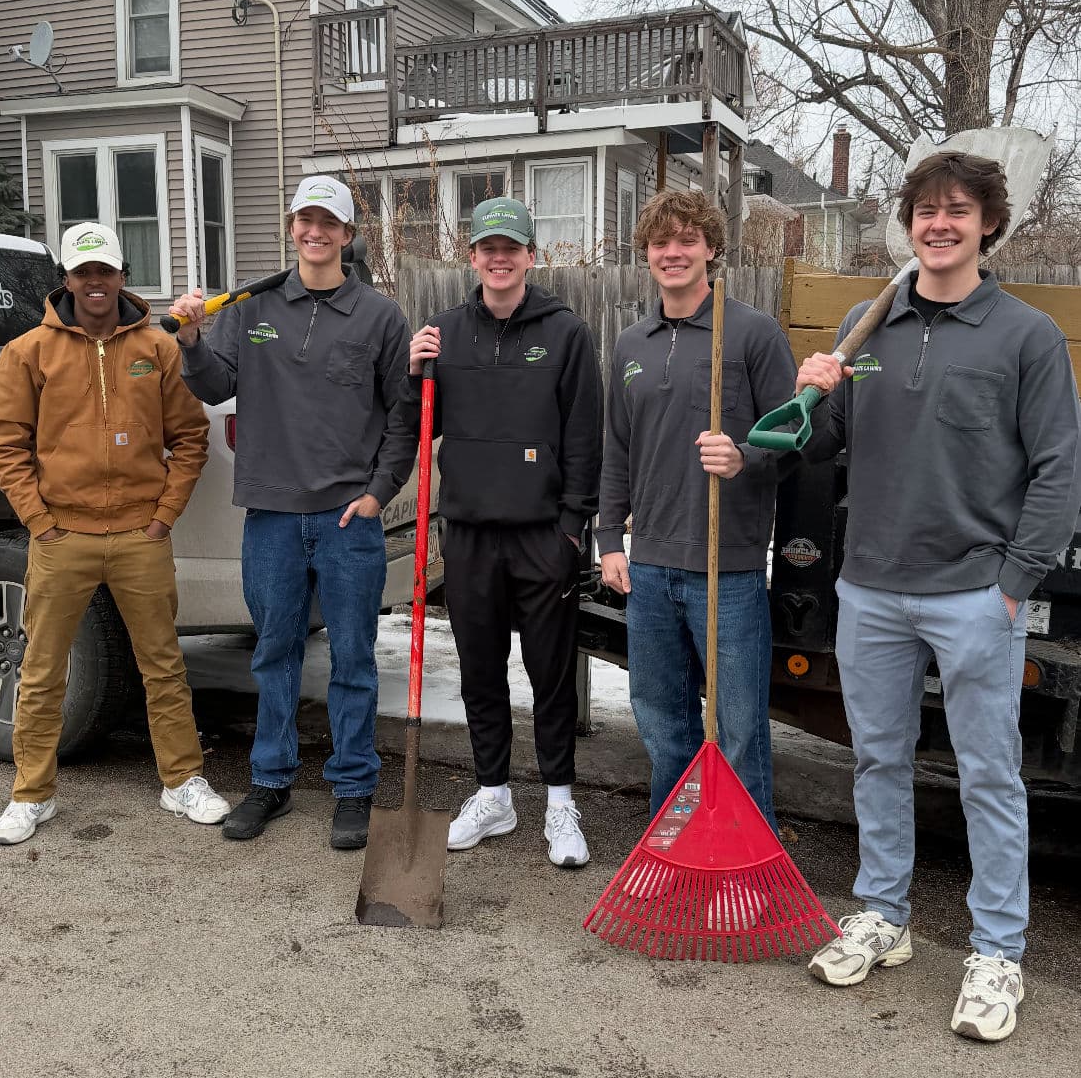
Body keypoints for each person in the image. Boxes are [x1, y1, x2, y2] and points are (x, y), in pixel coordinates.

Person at [797, 150, 1081, 1041]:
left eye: (958, 210)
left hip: (972, 595)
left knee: (988, 776)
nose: (940, 223)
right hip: (871, 586)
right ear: (908, 223)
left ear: (987, 224)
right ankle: (882, 916)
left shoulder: (1023, 334)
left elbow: (1057, 469)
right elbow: (815, 449)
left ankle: (997, 951)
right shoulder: (865, 322)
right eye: (925, 210)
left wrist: (1012, 586)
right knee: (877, 760)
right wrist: (811, 396)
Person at [169, 175, 415, 850]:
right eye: (304, 221)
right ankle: (270, 782)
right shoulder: (251, 307)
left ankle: (353, 787)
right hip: (271, 517)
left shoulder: (379, 317)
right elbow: (215, 385)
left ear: (345, 234)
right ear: (291, 228)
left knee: (354, 660)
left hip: (346, 520)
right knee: (273, 654)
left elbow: (404, 415)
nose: (314, 233)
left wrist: (377, 492)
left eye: (327, 223)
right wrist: (191, 340)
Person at [0, 222, 228, 845]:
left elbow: (191, 439)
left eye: (106, 271)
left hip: (140, 538)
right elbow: (6, 445)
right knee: (40, 669)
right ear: (66, 279)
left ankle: (182, 781)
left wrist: (163, 517)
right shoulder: (28, 353)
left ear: (122, 276)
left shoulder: (159, 348)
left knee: (164, 665)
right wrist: (40, 521)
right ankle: (31, 793)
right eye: (83, 272)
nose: (95, 283)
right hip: (61, 537)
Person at [405, 196, 602, 868]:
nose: (498, 257)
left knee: (549, 676)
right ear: (472, 256)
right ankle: (492, 793)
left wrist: (573, 529)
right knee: (480, 674)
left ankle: (558, 802)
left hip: (541, 533)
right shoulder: (442, 332)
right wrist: (413, 373)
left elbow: (582, 437)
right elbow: (416, 427)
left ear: (529, 256)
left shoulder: (566, 333)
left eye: (510, 247)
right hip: (468, 534)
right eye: (487, 246)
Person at [597, 188, 797, 834]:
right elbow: (616, 449)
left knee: (738, 731)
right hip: (651, 565)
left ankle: (742, 863)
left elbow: (796, 439)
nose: (673, 252)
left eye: (687, 239)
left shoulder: (751, 333)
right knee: (662, 723)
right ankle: (676, 849)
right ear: (646, 254)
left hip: (727, 568)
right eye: (661, 242)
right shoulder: (632, 342)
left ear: (712, 248)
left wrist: (744, 456)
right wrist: (607, 537)